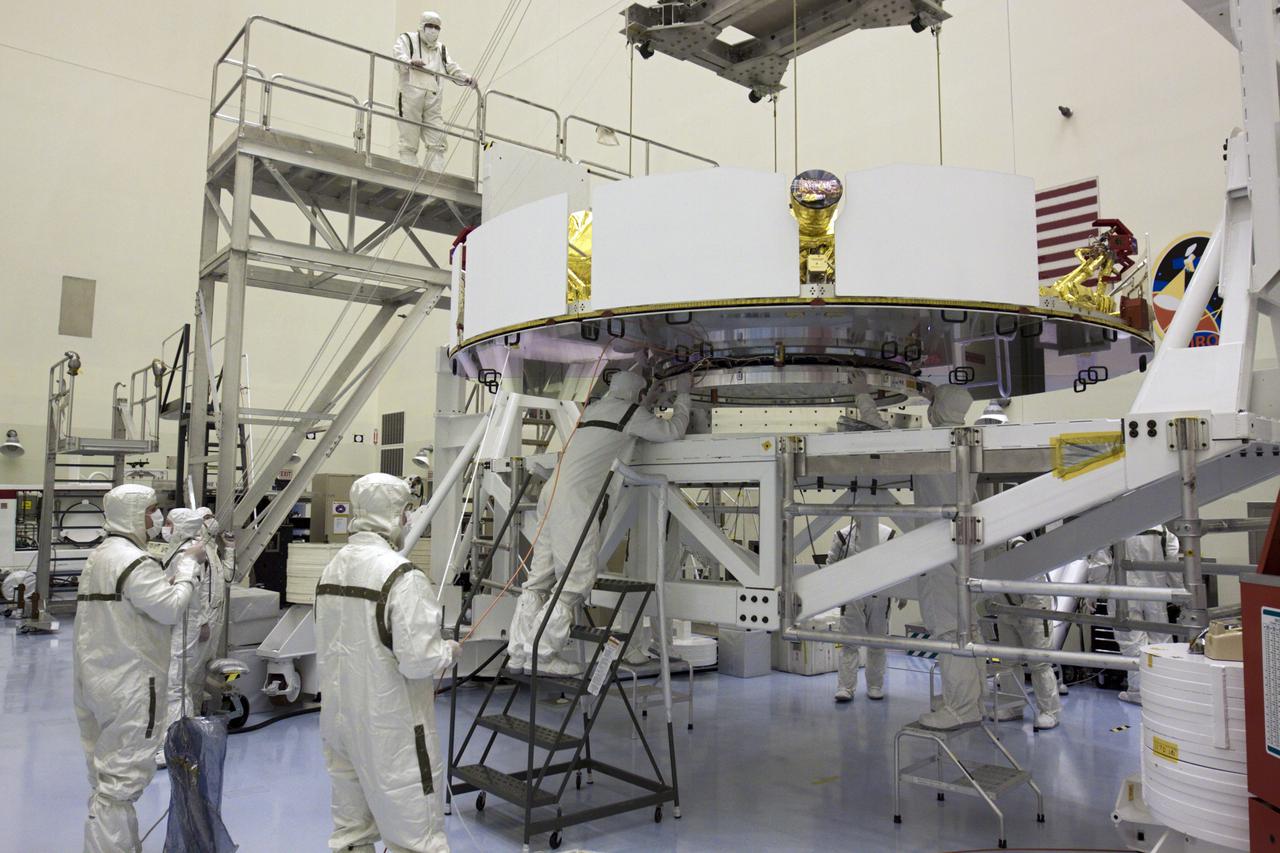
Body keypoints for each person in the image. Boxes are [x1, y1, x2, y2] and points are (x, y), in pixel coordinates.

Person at [507, 369, 692, 676]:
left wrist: (651, 395)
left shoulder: (593, 410)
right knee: (575, 580)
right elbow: (672, 431)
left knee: (539, 578)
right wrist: (682, 395)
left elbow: (628, 415)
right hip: (575, 500)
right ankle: (543, 655)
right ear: (635, 395)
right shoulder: (631, 413)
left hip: (551, 493)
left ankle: (518, 652)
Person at [314, 473, 460, 853]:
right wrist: (448, 651)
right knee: (415, 837)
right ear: (395, 513)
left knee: (351, 832)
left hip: (339, 719)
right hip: (390, 728)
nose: (408, 519)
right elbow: (418, 662)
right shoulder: (402, 576)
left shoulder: (332, 569)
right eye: (406, 511)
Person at [73, 484, 201, 852]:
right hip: (130, 682)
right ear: (132, 513)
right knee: (120, 784)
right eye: (150, 510)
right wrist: (189, 566)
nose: (156, 518)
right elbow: (171, 608)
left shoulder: (100, 556)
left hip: (98, 677)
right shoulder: (133, 560)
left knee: (106, 777)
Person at [910, 384, 987, 731]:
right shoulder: (965, 437)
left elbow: (881, 442)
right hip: (961, 544)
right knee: (968, 627)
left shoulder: (937, 444)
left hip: (940, 545)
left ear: (939, 410)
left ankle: (960, 707)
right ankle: (974, 700)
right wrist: (932, 394)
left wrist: (864, 401)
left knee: (949, 628)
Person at [155, 507, 226, 767]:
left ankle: (177, 744)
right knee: (174, 681)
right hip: (176, 621)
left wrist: (203, 621)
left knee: (176, 682)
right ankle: (176, 737)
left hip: (186, 622)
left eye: (169, 522)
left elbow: (200, 591)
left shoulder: (194, 552)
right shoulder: (179, 549)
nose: (165, 526)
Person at [986, 535, 1063, 730]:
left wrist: (1026, 612)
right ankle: (1013, 707)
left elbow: (1034, 581)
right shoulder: (985, 548)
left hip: (1033, 608)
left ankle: (1050, 711)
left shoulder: (1016, 543)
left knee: (1039, 662)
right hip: (1005, 609)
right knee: (1009, 662)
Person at [393, 11, 473, 171]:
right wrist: (409, 62)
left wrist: (465, 78)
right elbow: (397, 57)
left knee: (438, 140)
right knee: (409, 140)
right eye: (430, 26)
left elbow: (451, 67)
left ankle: (434, 179)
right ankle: (409, 177)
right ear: (422, 26)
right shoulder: (408, 40)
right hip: (410, 96)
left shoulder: (440, 49)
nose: (433, 30)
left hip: (433, 100)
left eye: (437, 27)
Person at [829, 520, 896, 702]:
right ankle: (845, 687)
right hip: (852, 595)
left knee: (877, 642)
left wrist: (901, 593)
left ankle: (875, 685)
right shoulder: (843, 536)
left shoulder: (888, 535)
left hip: (880, 595)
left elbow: (897, 565)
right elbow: (830, 566)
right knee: (849, 642)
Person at [1113, 525, 1180, 705]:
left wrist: (1096, 592)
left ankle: (1138, 692)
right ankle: (1166, 689)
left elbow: (1100, 562)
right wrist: (1179, 592)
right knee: (1161, 640)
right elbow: (1173, 564)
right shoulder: (1163, 531)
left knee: (1132, 642)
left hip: (1123, 592)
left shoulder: (1114, 528)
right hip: (1155, 592)